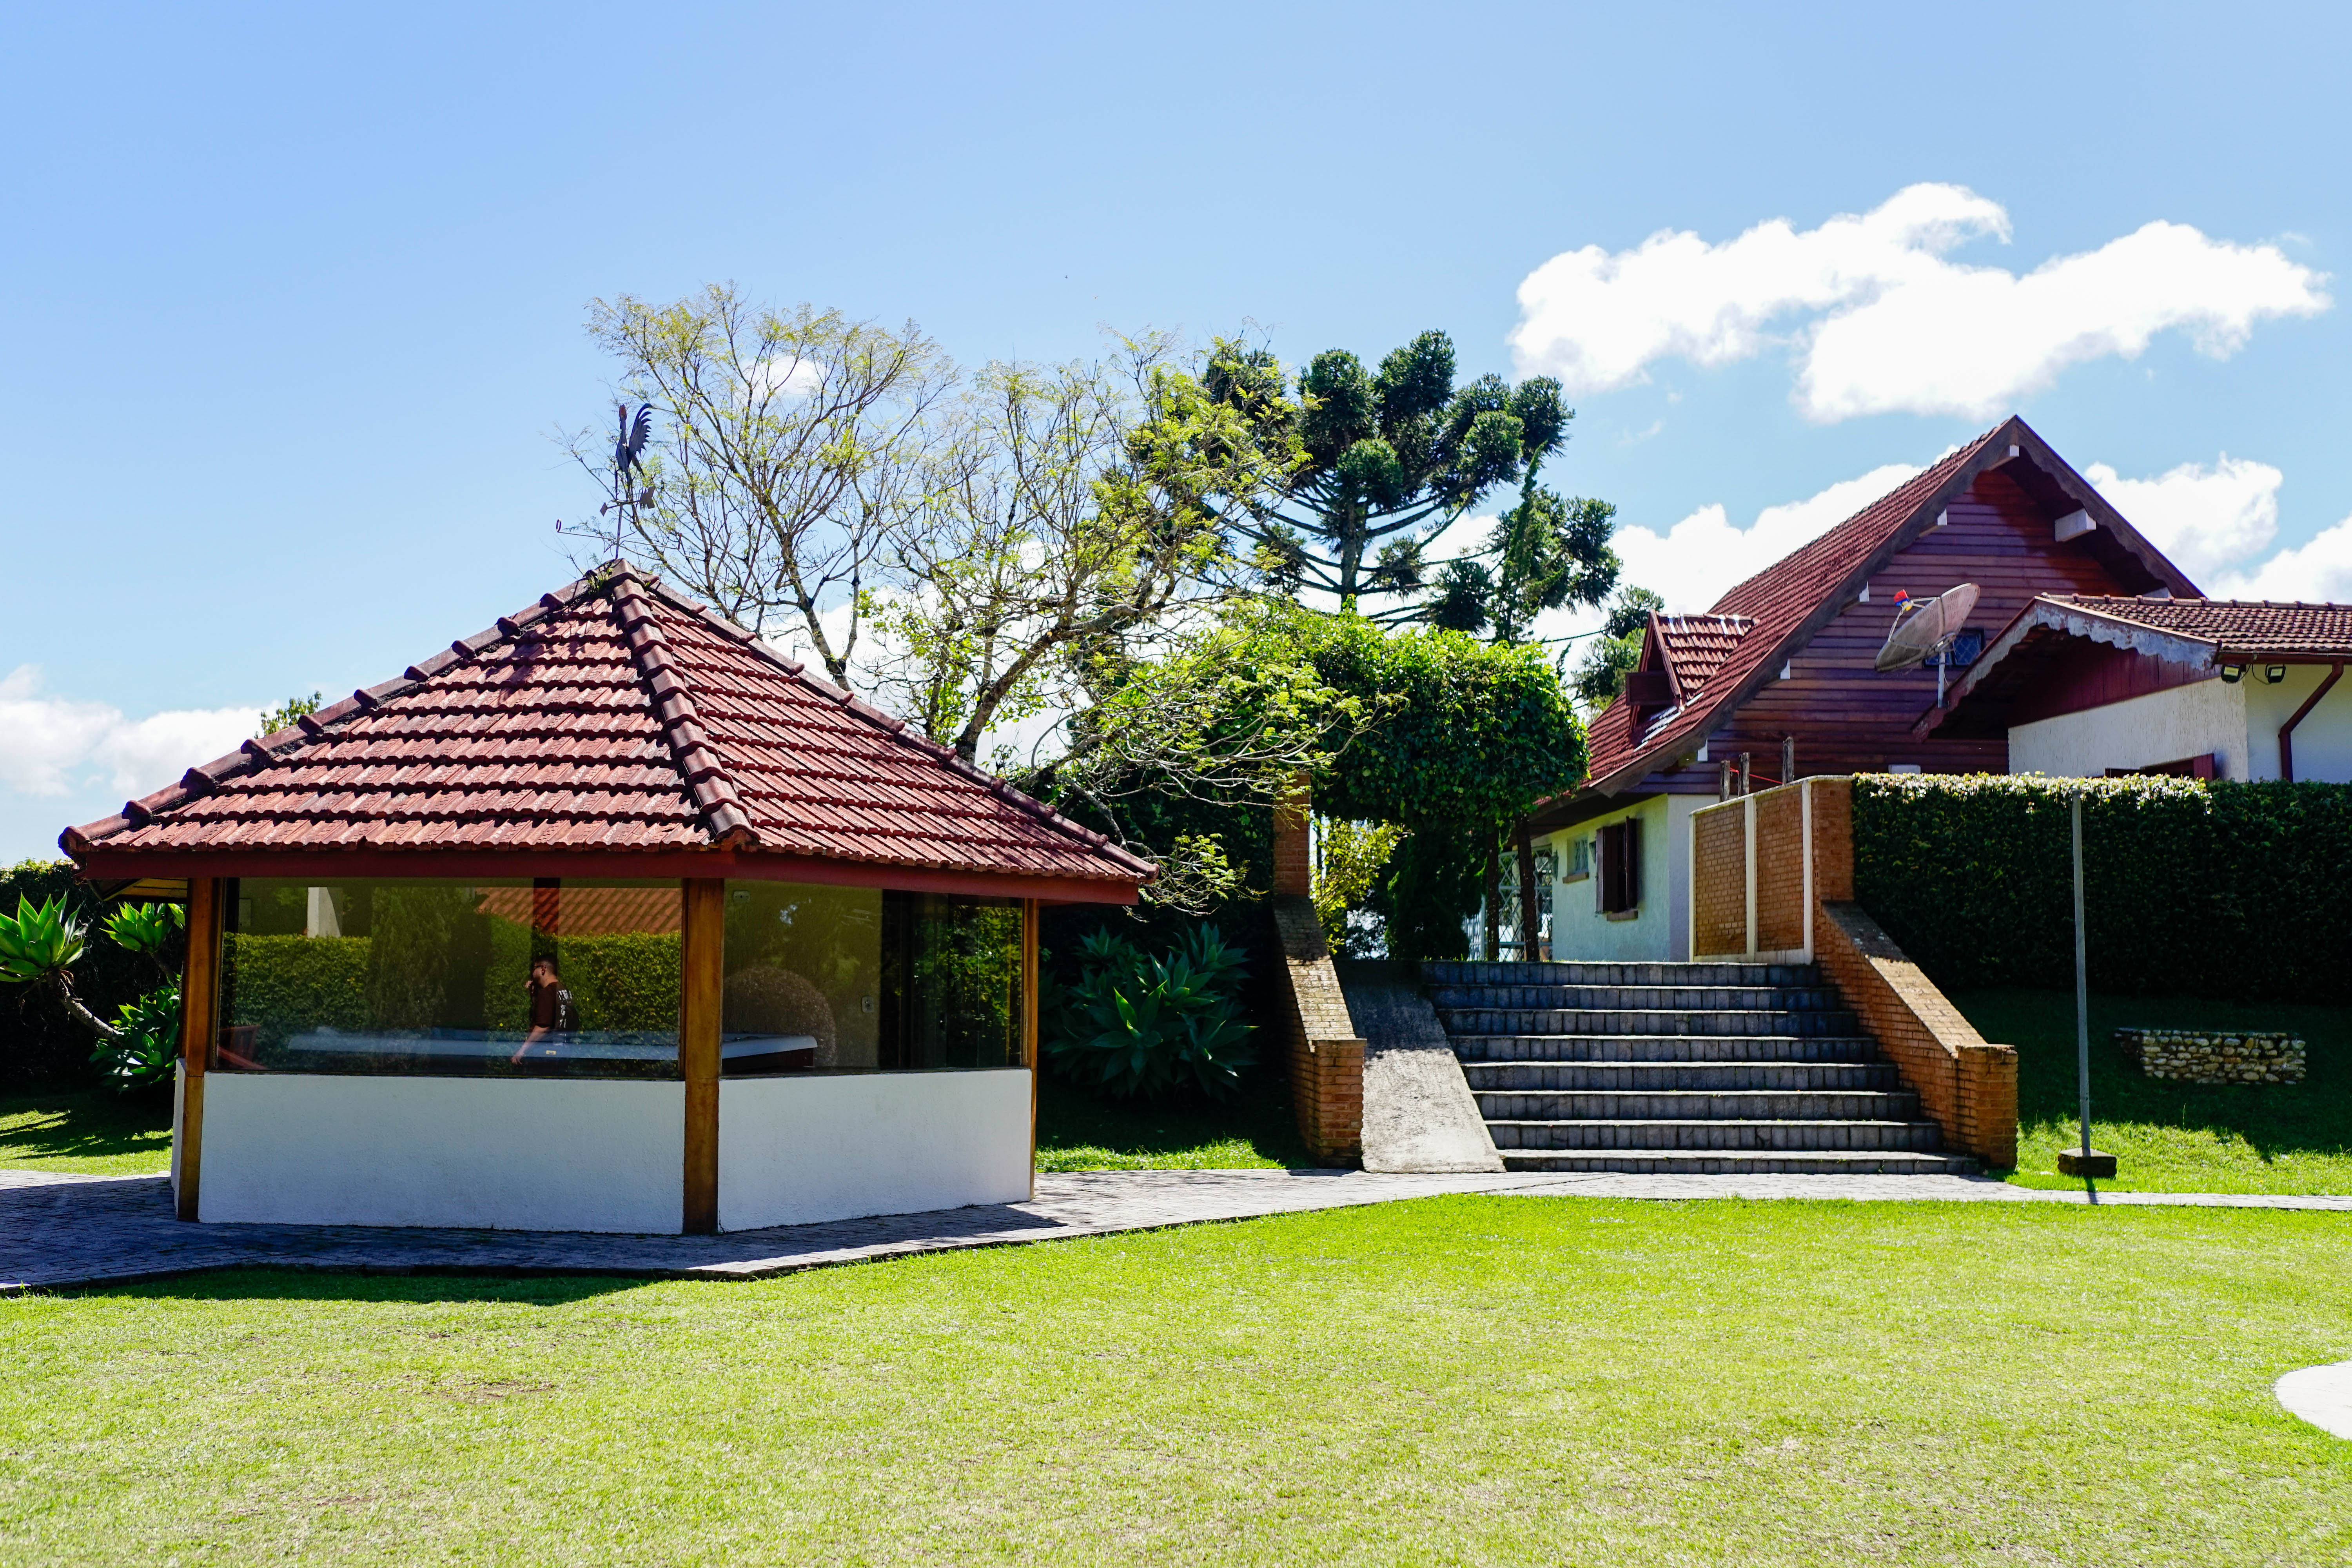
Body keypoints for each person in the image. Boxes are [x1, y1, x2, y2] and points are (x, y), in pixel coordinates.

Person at [512, 957, 577, 1063]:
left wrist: (522, 1051)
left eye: (534, 969)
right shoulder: (564, 990)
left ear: (543, 969)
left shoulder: (548, 992)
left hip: (547, 1051)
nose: (533, 973)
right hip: (564, 1048)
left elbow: (543, 1026)